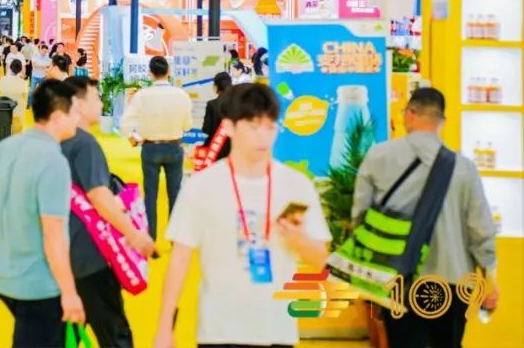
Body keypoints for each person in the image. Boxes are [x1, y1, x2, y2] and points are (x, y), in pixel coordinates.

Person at [152, 83, 331, 348]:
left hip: (277, 330)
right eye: (253, 126)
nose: (263, 137)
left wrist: (299, 239)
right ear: (230, 127)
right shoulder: (203, 185)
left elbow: (322, 261)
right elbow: (179, 259)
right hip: (220, 331)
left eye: (270, 127)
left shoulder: (295, 185)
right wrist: (165, 328)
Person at [352, 88, 498, 348]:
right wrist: (491, 279)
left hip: (399, 280)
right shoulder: (464, 168)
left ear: (409, 114)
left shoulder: (378, 157)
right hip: (452, 282)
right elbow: (480, 229)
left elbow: (360, 218)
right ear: (443, 121)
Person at [0, 80, 86, 348]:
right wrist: (69, 292)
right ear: (58, 116)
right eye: (75, 112)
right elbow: (53, 234)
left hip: (4, 276)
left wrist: (11, 223)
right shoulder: (53, 162)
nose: (78, 118)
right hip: (39, 284)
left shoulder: (5, 147)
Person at [61, 76, 155, 348]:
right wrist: (134, 234)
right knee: (113, 332)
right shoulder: (85, 144)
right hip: (90, 252)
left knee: (65, 328)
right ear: (79, 104)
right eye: (96, 97)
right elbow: (99, 196)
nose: (101, 103)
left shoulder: (58, 139)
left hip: (63, 248)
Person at [120, 56, 193, 240]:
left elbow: (125, 124)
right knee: (174, 193)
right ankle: (175, 238)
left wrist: (134, 139)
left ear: (150, 73)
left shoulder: (142, 96)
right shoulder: (181, 95)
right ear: (168, 72)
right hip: (174, 147)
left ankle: (150, 238)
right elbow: (188, 125)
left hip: (150, 148)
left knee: (150, 195)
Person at [200, 72, 233, 162]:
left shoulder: (211, 104)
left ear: (215, 87)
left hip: (215, 150)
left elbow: (206, 129)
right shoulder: (238, 104)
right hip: (233, 149)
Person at [0, 59, 30, 133]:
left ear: (10, 67)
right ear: (20, 70)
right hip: (18, 111)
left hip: (4, 109)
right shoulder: (23, 83)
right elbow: (24, 98)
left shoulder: (2, 80)